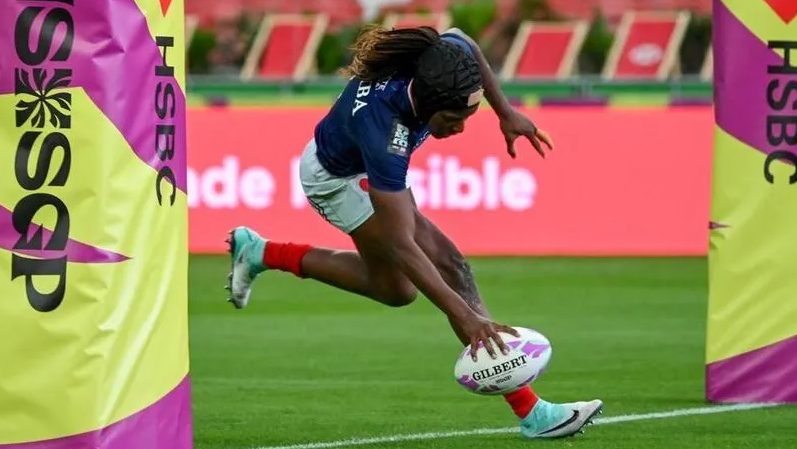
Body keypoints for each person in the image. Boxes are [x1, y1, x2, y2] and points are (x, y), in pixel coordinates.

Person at [226, 26, 602, 439]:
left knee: (397, 290)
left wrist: (505, 111)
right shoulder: (384, 131)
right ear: (425, 105)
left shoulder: (439, 63)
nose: (459, 129)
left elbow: (465, 41)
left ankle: (261, 252)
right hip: (336, 179)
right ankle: (533, 413)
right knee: (446, 267)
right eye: (453, 120)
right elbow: (401, 243)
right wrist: (466, 316)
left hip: (360, 166)